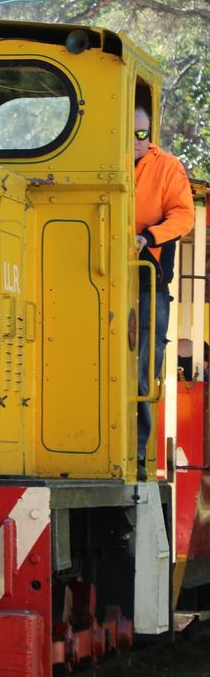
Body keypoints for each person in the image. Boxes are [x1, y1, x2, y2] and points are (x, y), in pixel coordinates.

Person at [134, 106, 195, 478]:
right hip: (96, 276)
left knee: (144, 362)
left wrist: (149, 237)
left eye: (142, 134)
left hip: (147, 280)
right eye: (129, 132)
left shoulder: (168, 167)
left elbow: (183, 215)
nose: (137, 141)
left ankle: (136, 450)